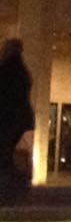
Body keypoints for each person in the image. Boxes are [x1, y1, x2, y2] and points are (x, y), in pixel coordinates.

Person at [0, 39, 31, 199]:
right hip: (16, 119)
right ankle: (15, 185)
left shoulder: (8, 68)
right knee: (5, 154)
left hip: (8, 119)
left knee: (4, 154)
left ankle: (13, 186)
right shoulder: (21, 70)